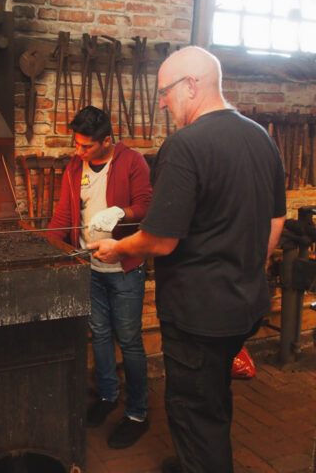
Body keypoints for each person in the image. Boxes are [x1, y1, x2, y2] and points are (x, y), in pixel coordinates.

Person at [90, 47, 286, 472]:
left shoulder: (183, 146)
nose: (161, 102)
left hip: (199, 316)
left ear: (191, 86)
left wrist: (116, 248)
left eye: (164, 92)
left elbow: (160, 242)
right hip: (245, 304)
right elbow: (276, 219)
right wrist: (247, 265)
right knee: (212, 397)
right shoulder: (260, 136)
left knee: (192, 413)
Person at [47, 105, 153, 449]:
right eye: (77, 145)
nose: (79, 152)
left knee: (130, 340)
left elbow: (146, 207)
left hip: (124, 268)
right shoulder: (75, 167)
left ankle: (137, 412)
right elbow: (65, 213)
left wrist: (122, 212)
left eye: (87, 146)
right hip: (89, 268)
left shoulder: (132, 161)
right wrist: (47, 249)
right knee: (101, 336)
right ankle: (108, 396)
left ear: (107, 139)